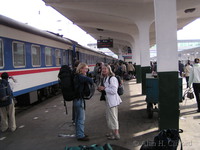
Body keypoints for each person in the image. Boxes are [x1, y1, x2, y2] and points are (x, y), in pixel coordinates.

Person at [97, 64, 122, 140]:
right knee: (109, 117)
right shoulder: (105, 78)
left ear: (109, 70)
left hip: (112, 101)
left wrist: (104, 88)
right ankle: (112, 132)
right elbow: (106, 89)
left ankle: (116, 134)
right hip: (108, 100)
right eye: (102, 69)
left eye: (105, 69)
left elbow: (114, 90)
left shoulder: (112, 78)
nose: (103, 70)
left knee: (113, 117)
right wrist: (101, 89)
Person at [74, 63, 94, 141]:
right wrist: (86, 75)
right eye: (85, 69)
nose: (86, 70)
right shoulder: (80, 77)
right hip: (79, 99)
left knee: (77, 118)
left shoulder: (77, 76)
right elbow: (91, 80)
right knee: (81, 118)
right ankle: (80, 135)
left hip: (76, 99)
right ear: (81, 69)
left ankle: (79, 133)